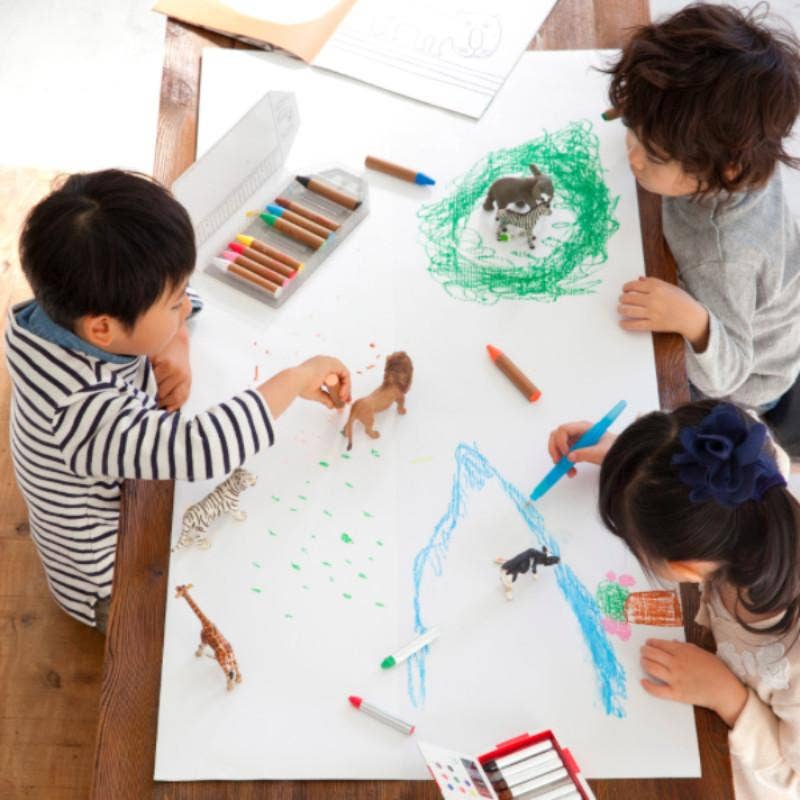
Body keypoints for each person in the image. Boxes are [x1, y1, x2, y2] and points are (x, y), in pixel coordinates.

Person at [6, 169, 350, 630]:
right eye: (174, 305)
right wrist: (297, 376)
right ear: (103, 328)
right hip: (108, 582)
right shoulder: (81, 408)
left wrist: (175, 339)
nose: (186, 305)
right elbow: (199, 448)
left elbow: (163, 300)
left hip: (123, 489)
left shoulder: (57, 314)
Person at [548, 400, 799, 799]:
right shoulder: (755, 468)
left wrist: (727, 697)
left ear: (684, 570)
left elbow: (793, 775)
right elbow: (714, 480)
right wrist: (638, 469)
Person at [604, 4, 800, 411]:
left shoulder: (725, 257)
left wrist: (692, 320)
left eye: (653, 156)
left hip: (746, 383)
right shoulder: (741, 143)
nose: (633, 157)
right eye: (631, 130)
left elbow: (729, 373)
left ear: (725, 171)